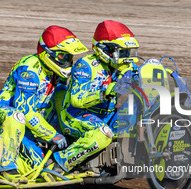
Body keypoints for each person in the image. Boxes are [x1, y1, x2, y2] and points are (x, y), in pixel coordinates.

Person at [0, 25, 88, 174]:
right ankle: (5, 164)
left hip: (27, 127)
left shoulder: (57, 74)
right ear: (48, 53)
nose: (67, 62)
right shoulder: (30, 70)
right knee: (16, 116)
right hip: (1, 114)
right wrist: (52, 135)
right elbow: (24, 110)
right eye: (62, 57)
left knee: (35, 167)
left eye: (69, 57)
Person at [53, 20, 140, 172]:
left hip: (106, 116)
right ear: (105, 50)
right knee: (103, 134)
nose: (127, 57)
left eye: (128, 52)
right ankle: (60, 162)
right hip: (75, 115)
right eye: (122, 52)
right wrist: (104, 92)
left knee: (137, 109)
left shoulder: (126, 66)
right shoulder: (85, 65)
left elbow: (141, 77)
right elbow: (76, 99)